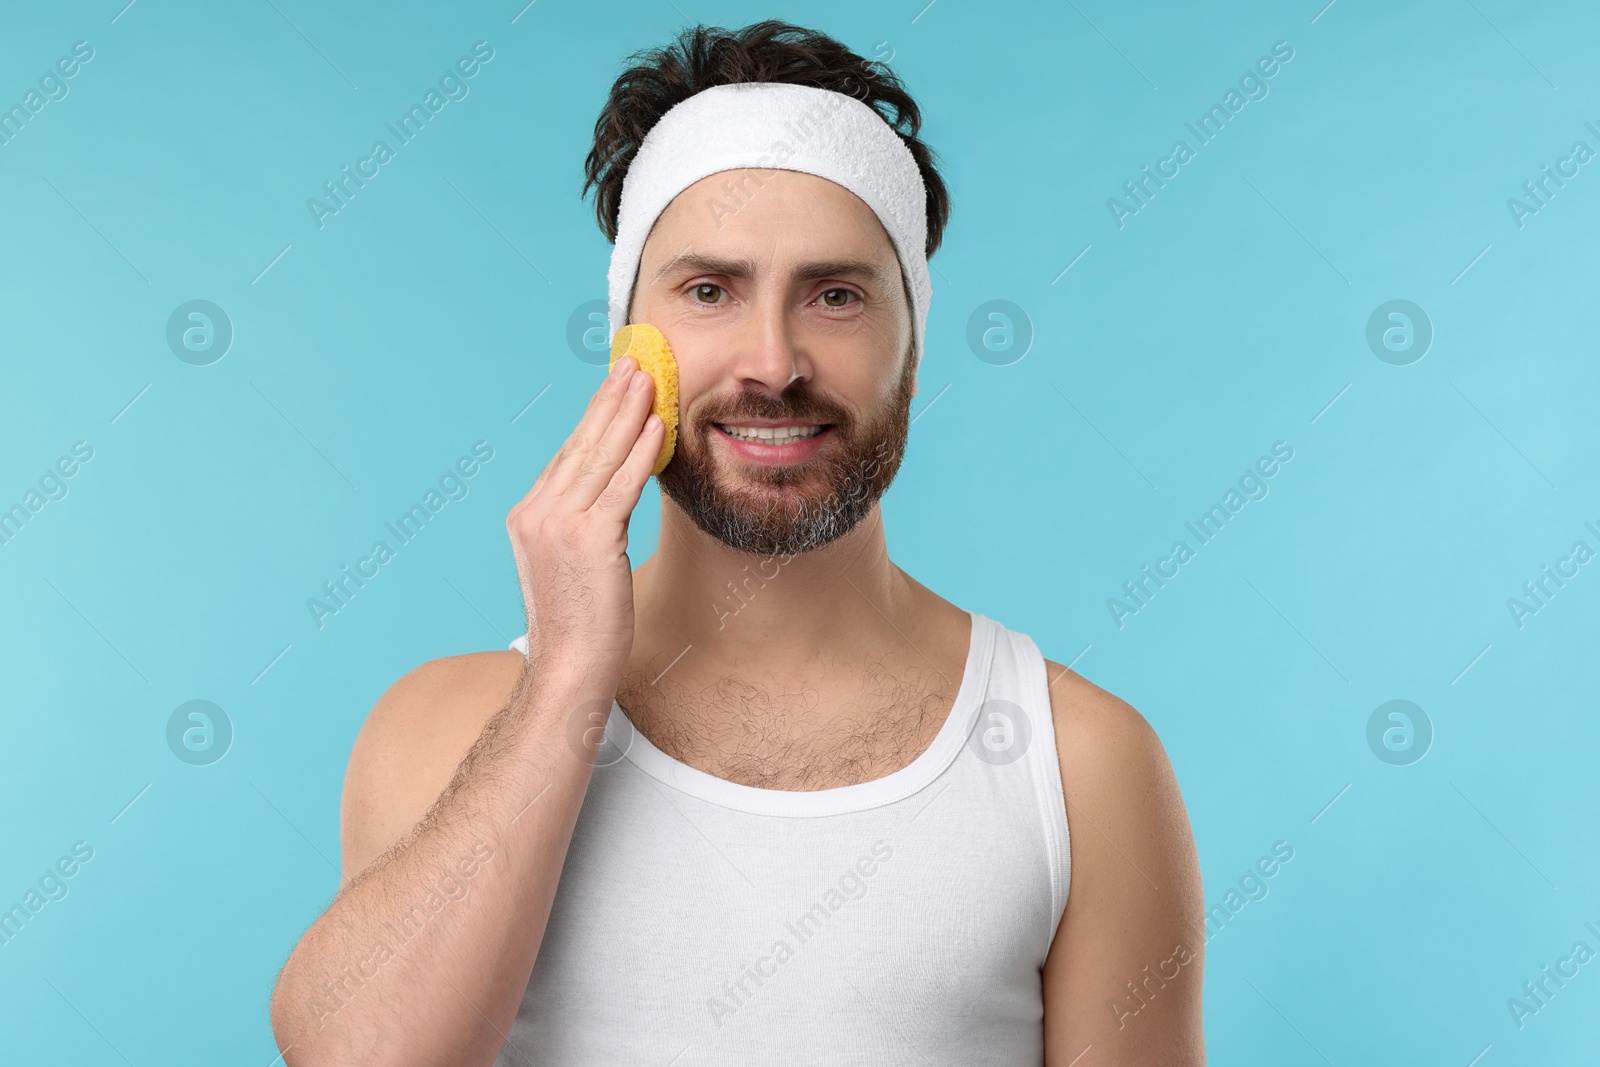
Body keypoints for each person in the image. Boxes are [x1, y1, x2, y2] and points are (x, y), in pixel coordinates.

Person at [269, 20, 1204, 1066]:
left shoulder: (1077, 761)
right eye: (709, 290)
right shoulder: (443, 727)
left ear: (912, 339)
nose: (772, 361)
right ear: (630, 337)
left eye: (836, 295)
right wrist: (571, 673)